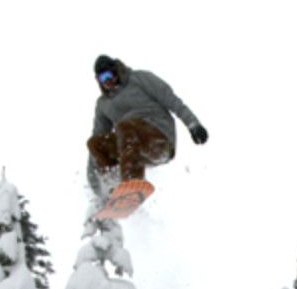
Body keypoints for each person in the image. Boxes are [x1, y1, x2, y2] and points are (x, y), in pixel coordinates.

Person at [86, 54, 208, 200]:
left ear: (116, 70)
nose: (108, 81)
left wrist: (193, 125)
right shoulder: (103, 104)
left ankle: (132, 182)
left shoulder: (139, 79)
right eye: (102, 79)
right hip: (132, 147)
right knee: (95, 143)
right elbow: (96, 145)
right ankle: (113, 190)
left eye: (109, 75)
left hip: (159, 139)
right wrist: (96, 189)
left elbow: (171, 99)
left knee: (124, 128)